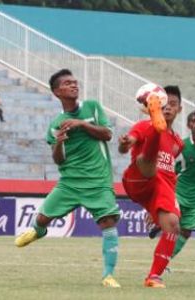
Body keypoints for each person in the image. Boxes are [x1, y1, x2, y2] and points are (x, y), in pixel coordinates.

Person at [14, 69, 121, 288]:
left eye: (75, 82)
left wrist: (82, 124)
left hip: (97, 180)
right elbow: (58, 160)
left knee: (107, 222)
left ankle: (108, 275)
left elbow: (108, 134)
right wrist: (60, 142)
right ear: (56, 92)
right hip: (70, 182)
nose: (74, 85)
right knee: (43, 219)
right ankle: (38, 231)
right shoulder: (56, 124)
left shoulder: (92, 107)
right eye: (67, 83)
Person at [118, 85, 184, 288]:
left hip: (160, 188)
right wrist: (125, 142)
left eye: (172, 104)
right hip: (138, 178)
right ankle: (158, 129)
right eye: (163, 104)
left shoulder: (178, 143)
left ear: (179, 109)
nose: (168, 107)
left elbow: (173, 174)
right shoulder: (142, 125)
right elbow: (125, 146)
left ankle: (153, 277)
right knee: (147, 161)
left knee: (173, 225)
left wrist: (154, 207)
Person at [148, 110, 195, 259]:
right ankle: (159, 223)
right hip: (178, 192)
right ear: (189, 125)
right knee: (173, 225)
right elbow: (166, 161)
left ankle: (166, 259)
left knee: (186, 232)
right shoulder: (182, 145)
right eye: (193, 121)